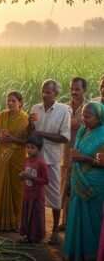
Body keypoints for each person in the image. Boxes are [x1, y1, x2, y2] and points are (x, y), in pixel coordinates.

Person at [29, 79, 71, 244]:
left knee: (53, 195)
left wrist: (41, 134)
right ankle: (33, 228)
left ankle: (54, 230)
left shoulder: (63, 111)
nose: (45, 94)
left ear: (56, 94)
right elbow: (31, 132)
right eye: (43, 91)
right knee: (33, 192)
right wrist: (29, 123)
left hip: (51, 159)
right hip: (35, 158)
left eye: (49, 92)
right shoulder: (35, 108)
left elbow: (64, 137)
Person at [63, 102, 104, 260]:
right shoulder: (82, 130)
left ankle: (90, 255)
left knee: (91, 223)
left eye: (88, 117)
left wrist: (83, 158)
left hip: (93, 186)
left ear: (99, 117)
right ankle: (75, 253)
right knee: (75, 219)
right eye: (83, 116)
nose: (84, 119)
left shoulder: (103, 135)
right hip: (77, 182)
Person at [0, 91, 29, 231]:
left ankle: (16, 222)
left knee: (17, 188)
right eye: (9, 101)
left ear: (20, 103)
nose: (10, 103)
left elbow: (27, 141)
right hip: (2, 155)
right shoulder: (2, 115)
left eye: (13, 101)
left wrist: (12, 139)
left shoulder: (25, 119)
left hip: (17, 157)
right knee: (0, 185)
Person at [60, 77, 87, 230]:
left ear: (84, 90)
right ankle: (65, 221)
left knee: (77, 186)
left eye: (77, 89)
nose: (74, 92)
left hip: (81, 153)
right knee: (65, 186)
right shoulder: (65, 108)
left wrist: (67, 123)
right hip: (65, 153)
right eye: (72, 89)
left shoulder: (89, 108)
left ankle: (75, 222)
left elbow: (75, 124)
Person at [19, 135, 48, 243]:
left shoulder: (41, 163)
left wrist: (32, 178)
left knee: (36, 215)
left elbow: (45, 181)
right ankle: (27, 235)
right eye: (27, 147)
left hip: (37, 196)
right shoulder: (26, 160)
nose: (29, 150)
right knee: (27, 214)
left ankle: (36, 237)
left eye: (32, 148)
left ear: (39, 149)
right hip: (27, 193)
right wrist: (22, 176)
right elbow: (24, 175)